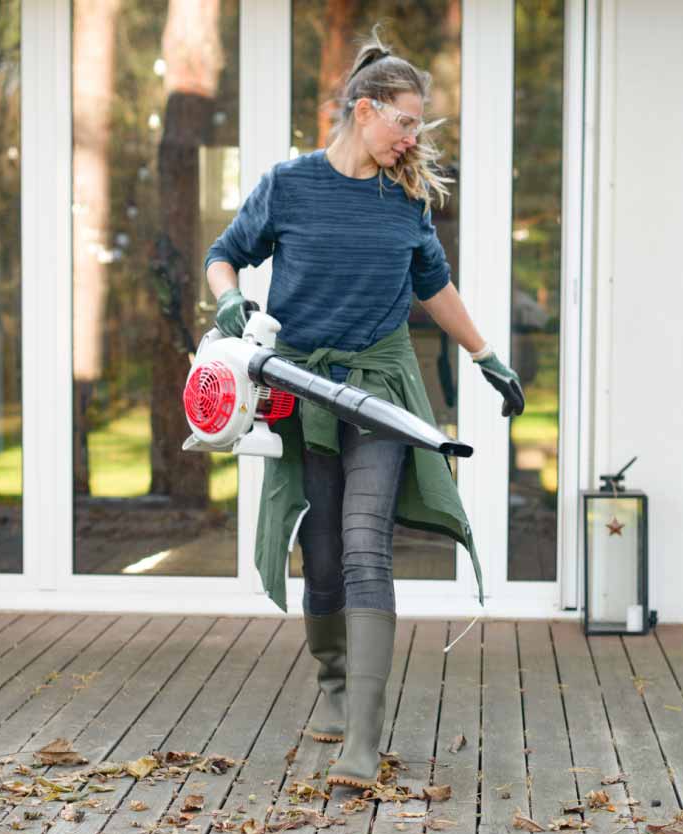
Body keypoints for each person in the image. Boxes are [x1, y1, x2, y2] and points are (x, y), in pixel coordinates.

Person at [202, 27, 524, 792]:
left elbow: (434, 288)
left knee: (363, 544)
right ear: (365, 109)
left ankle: (364, 740)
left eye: (418, 125)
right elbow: (225, 252)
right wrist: (229, 302)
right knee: (321, 558)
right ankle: (334, 682)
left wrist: (487, 357)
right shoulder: (290, 184)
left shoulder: (404, 199)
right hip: (303, 391)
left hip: (378, 388)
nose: (412, 138)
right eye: (406, 121)